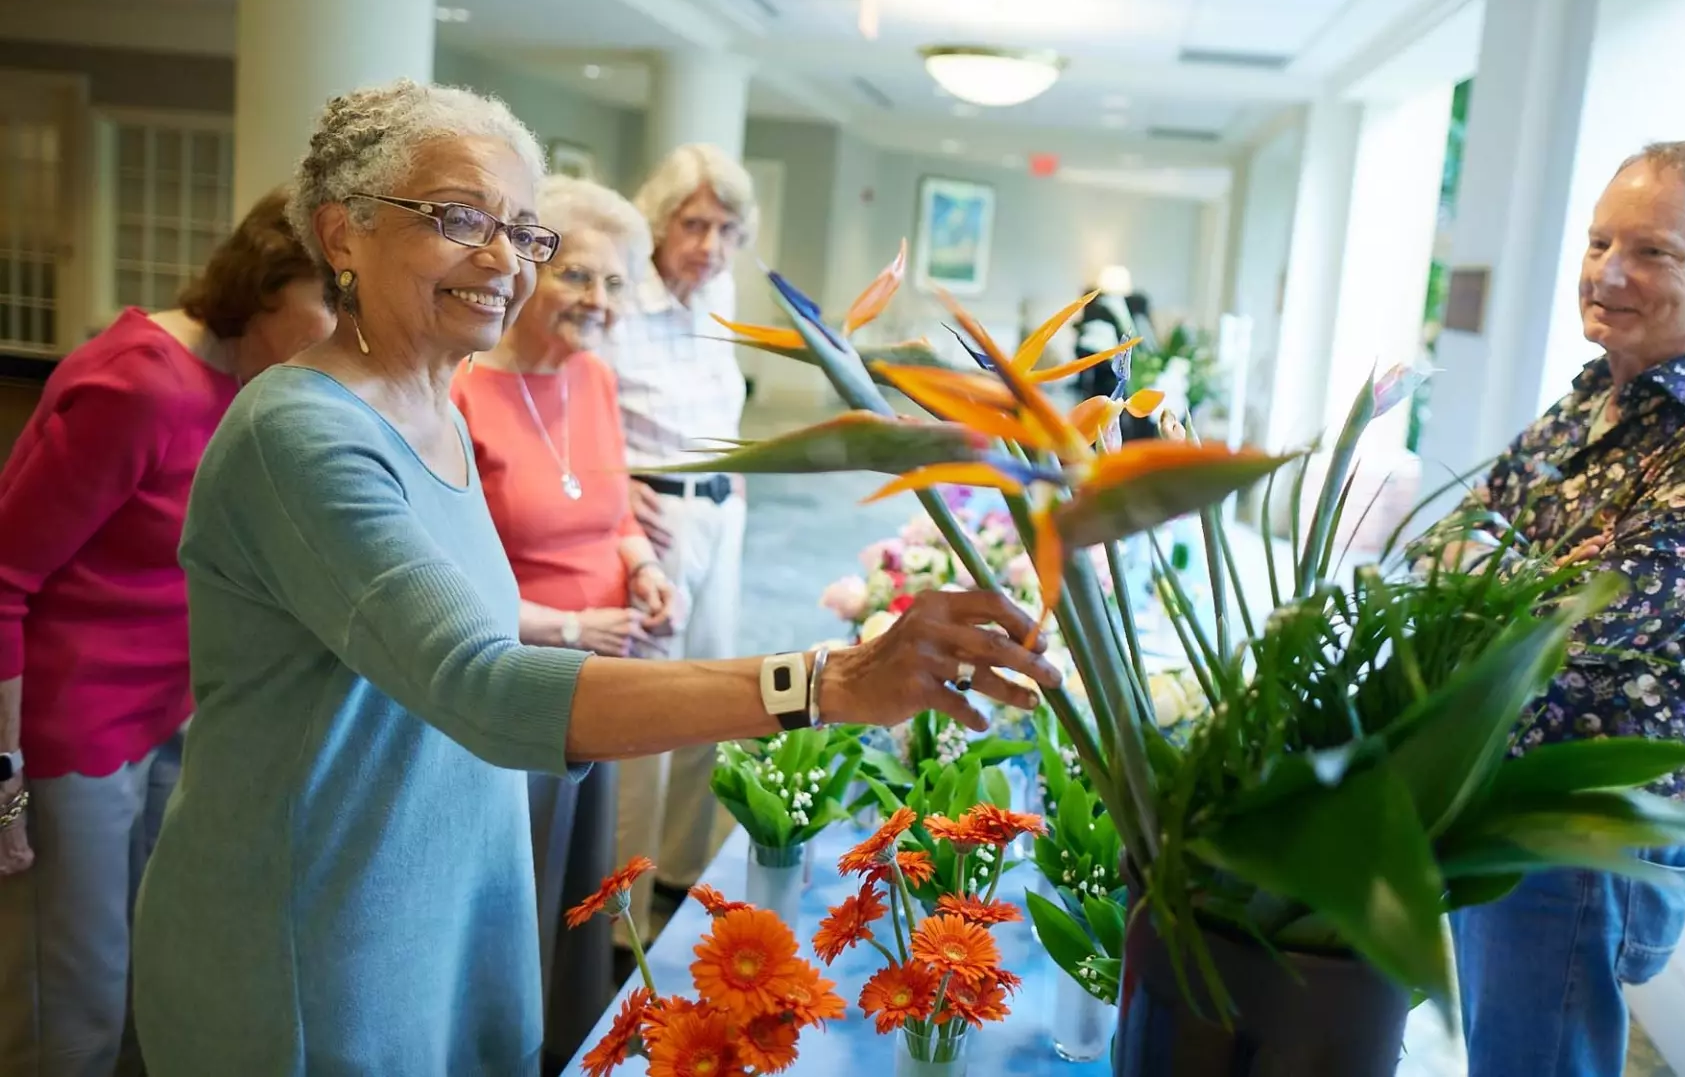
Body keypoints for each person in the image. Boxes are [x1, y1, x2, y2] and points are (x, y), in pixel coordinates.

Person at [128, 80, 1056, 1076]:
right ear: (342, 234)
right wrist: (826, 682)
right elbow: (480, 681)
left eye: (523, 232)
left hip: (444, 901)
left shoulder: (434, 405)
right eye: (458, 218)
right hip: (318, 936)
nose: (502, 260)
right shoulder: (300, 432)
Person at [1430, 141, 1685, 1077]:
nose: (1609, 273)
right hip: (1493, 788)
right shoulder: (1588, 401)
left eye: (1652, 251)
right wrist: (1519, 567)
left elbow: (1585, 615)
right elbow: (1441, 546)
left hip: (1586, 831)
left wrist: (1517, 570)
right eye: (1600, 240)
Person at [0, 187, 330, 1077]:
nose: (342, 330)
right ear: (265, 278)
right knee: (72, 1008)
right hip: (69, 735)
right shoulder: (141, 380)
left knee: (158, 983)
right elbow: (3, 578)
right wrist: (3, 775)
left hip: (162, 720)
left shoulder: (248, 384)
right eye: (331, 299)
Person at [448, 174, 673, 1068]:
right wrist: (571, 629)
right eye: (581, 275)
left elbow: (611, 511)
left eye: (617, 284)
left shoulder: (596, 381)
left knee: (584, 881)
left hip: (600, 673)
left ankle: (570, 1047)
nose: (599, 302)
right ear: (533, 266)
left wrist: (643, 565)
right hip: (510, 677)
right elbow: (449, 577)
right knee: (514, 892)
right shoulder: (463, 392)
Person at [602, 142, 757, 927]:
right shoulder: (620, 299)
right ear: (660, 223)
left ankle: (682, 871)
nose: (711, 246)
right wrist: (615, 483)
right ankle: (620, 902)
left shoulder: (719, 292)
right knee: (650, 710)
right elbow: (578, 405)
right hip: (656, 517)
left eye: (728, 230)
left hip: (722, 512)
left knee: (712, 700)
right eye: (695, 225)